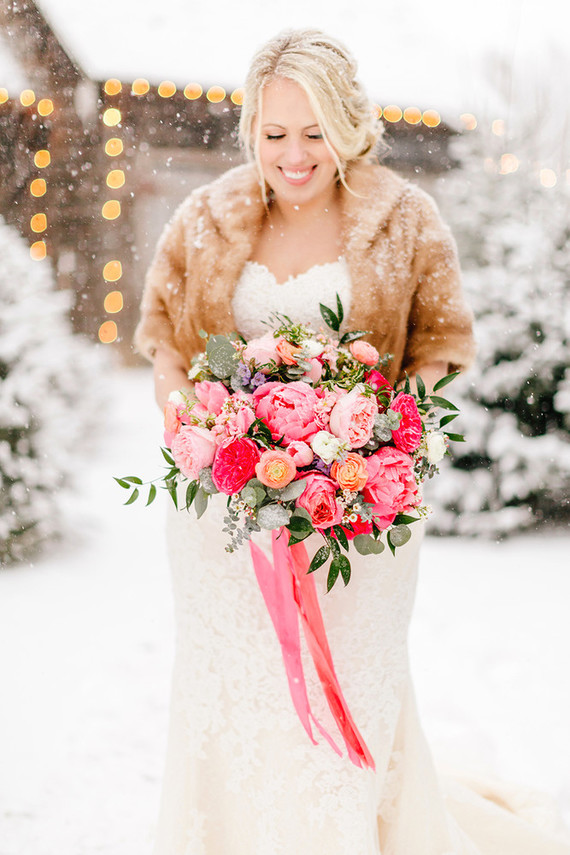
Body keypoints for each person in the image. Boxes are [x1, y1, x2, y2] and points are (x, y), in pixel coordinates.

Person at [135, 29, 570, 855]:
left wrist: (376, 446)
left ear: (348, 123)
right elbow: (164, 345)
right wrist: (197, 428)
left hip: (360, 519)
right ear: (250, 133)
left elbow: (440, 349)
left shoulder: (404, 220)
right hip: (226, 521)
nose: (293, 155)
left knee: (351, 698)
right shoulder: (207, 217)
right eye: (274, 134)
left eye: (313, 132)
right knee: (236, 698)